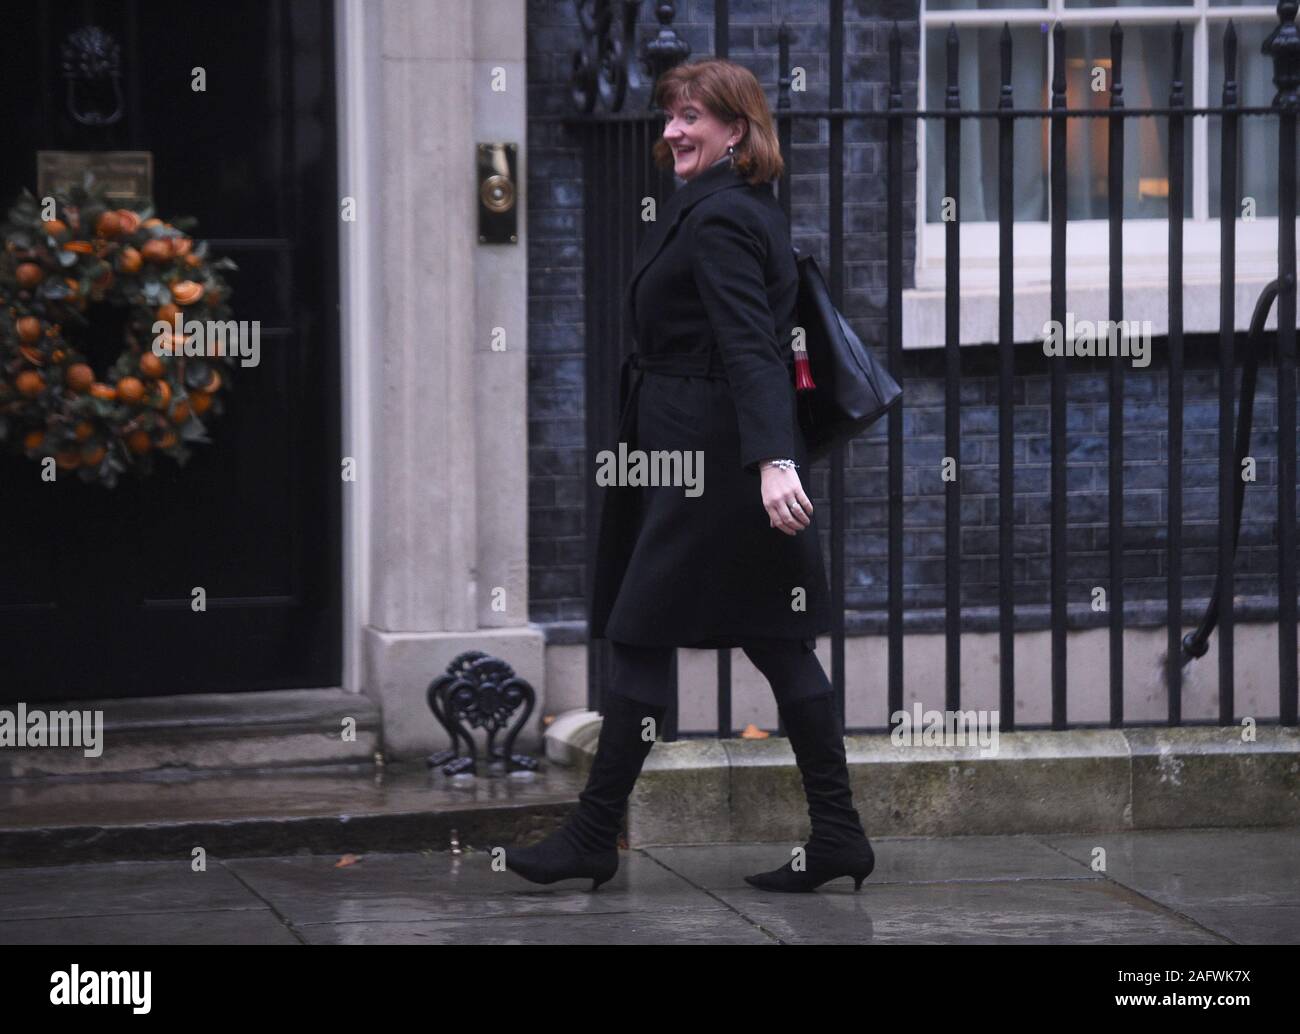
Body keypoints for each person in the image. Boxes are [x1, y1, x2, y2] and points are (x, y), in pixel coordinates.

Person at [505, 58, 874, 893]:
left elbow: (753, 346)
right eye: (670, 115)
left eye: (692, 117)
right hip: (687, 447)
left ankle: (594, 836)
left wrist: (775, 462)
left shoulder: (720, 219)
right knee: (778, 642)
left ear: (736, 130)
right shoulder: (718, 206)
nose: (672, 130)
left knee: (640, 630)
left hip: (708, 460)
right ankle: (840, 835)